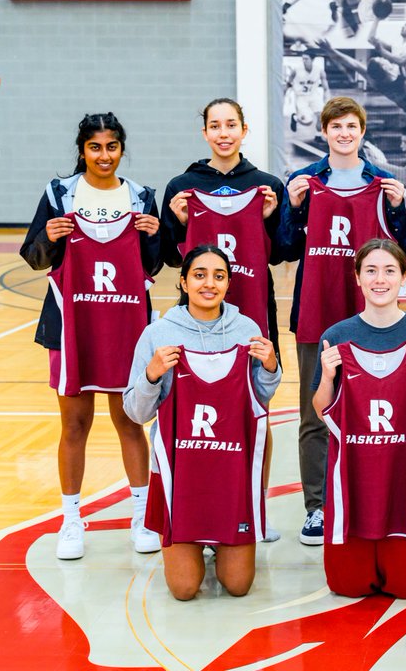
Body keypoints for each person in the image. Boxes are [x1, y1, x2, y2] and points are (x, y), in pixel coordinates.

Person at [19, 113, 161, 561]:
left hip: (126, 329)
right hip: (71, 327)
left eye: (112, 147)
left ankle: (143, 517)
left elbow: (154, 266)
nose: (104, 155)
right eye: (95, 147)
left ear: (122, 149)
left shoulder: (141, 197)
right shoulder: (59, 194)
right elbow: (34, 257)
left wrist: (156, 236)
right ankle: (71, 521)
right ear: (82, 150)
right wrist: (48, 234)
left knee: (130, 422)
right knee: (75, 425)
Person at [280, 97, 406, 545]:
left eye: (351, 126)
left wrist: (398, 211)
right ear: (325, 131)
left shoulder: (382, 183)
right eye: (336, 126)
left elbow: (404, 249)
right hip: (317, 314)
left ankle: (371, 499)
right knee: (315, 413)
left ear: (362, 131)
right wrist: (294, 209)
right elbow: (283, 245)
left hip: (372, 320)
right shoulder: (305, 182)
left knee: (375, 415)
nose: (343, 133)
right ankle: (316, 507)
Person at [123, 245, 281, 600]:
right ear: (183, 281)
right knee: (183, 589)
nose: (209, 283)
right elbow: (136, 413)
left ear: (228, 284)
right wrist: (151, 375)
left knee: (239, 586)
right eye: (199, 275)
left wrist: (271, 367)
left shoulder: (246, 329)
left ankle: (218, 546)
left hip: (231, 475)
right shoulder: (158, 334)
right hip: (181, 479)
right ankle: (197, 546)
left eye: (219, 276)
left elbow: (260, 397)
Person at [160, 98, 284, 541]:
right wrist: (177, 222)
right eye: (215, 125)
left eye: (231, 124)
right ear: (205, 133)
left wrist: (269, 219)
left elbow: (284, 248)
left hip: (251, 312)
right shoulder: (182, 185)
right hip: (196, 320)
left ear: (245, 130)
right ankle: (193, 502)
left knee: (257, 409)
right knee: (196, 413)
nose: (224, 132)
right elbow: (164, 254)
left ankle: (256, 500)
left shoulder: (267, 185)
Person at [311, 239, 406, 597]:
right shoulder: (336, 337)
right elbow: (320, 410)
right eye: (370, 270)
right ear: (357, 278)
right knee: (347, 586)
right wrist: (327, 378)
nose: (380, 279)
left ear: (404, 277)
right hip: (352, 479)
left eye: (389, 271)